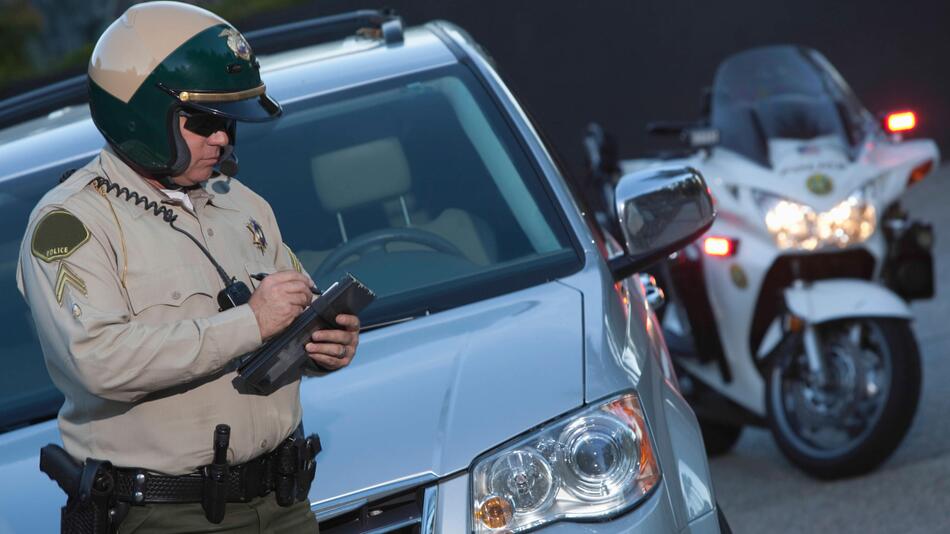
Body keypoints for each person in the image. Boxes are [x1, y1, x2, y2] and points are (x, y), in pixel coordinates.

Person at [16, 3, 359, 532]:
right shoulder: (69, 224)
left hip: (285, 501)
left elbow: (284, 322)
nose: (222, 138)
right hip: (167, 515)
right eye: (203, 121)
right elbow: (99, 361)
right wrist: (251, 323)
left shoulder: (245, 205)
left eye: (228, 121)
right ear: (139, 114)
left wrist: (319, 347)